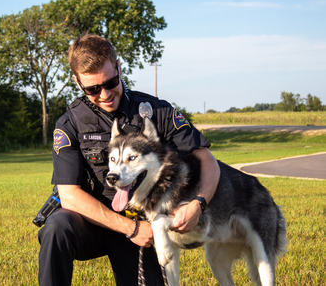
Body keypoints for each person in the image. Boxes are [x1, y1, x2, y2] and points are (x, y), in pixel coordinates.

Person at [37, 34, 220, 286]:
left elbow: (206, 159)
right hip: (93, 222)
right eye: (92, 89)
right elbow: (69, 195)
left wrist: (198, 204)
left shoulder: (158, 111)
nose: (104, 94)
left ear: (119, 67)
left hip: (143, 224)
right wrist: (128, 228)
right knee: (57, 226)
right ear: (77, 82)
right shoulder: (70, 124)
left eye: (110, 81)